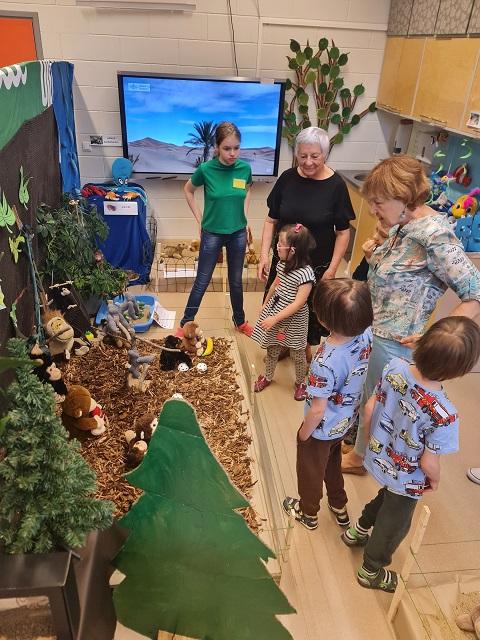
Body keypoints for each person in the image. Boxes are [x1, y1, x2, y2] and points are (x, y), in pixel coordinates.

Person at [342, 155, 480, 475]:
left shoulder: (435, 236)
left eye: (378, 202)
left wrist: (436, 336)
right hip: (378, 331)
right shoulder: (404, 224)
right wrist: (373, 257)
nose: (373, 210)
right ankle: (362, 449)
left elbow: (475, 292)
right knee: (371, 397)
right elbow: (402, 275)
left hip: (396, 343)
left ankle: (360, 459)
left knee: (379, 403)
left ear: (404, 198)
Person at [342, 316, 480, 592]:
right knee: (395, 521)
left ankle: (357, 531)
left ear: (422, 343)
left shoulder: (395, 367)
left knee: (386, 498)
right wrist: (435, 480)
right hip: (407, 478)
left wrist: (370, 441)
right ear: (459, 371)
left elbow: (369, 408)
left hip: (379, 456)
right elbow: (429, 461)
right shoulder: (445, 415)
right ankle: (371, 570)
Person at [282, 278, 373, 531]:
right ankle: (339, 505)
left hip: (320, 429)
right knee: (332, 464)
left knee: (310, 470)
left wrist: (304, 434)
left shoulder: (324, 360)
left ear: (322, 319)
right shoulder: (366, 335)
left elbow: (318, 408)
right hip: (344, 422)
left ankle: (308, 512)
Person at [257, 126, 355, 353]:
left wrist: (332, 269)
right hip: (284, 262)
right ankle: (280, 345)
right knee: (279, 303)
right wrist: (263, 256)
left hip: (316, 265)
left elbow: (343, 232)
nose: (308, 162)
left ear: (325, 154)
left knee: (307, 311)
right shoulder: (287, 178)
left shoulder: (336, 186)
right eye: (302, 156)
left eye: (315, 156)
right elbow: (271, 221)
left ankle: (303, 348)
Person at [178, 122, 253, 335]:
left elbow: (247, 190)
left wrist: (245, 217)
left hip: (238, 233)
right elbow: (188, 190)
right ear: (217, 147)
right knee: (202, 281)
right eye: (227, 148)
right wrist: (199, 220)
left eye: (236, 148)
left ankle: (240, 322)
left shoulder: (244, 169)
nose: (232, 153)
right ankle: (185, 324)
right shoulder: (206, 170)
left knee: (236, 281)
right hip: (212, 233)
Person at [251, 223, 316, 401]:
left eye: (281, 244)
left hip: (294, 320)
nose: (277, 247)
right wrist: (265, 304)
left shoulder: (306, 274)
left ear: (293, 250)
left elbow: (298, 303)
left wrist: (275, 318)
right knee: (272, 348)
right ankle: (267, 376)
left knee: (297, 353)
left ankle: (300, 383)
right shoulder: (281, 264)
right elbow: (274, 285)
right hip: (276, 311)